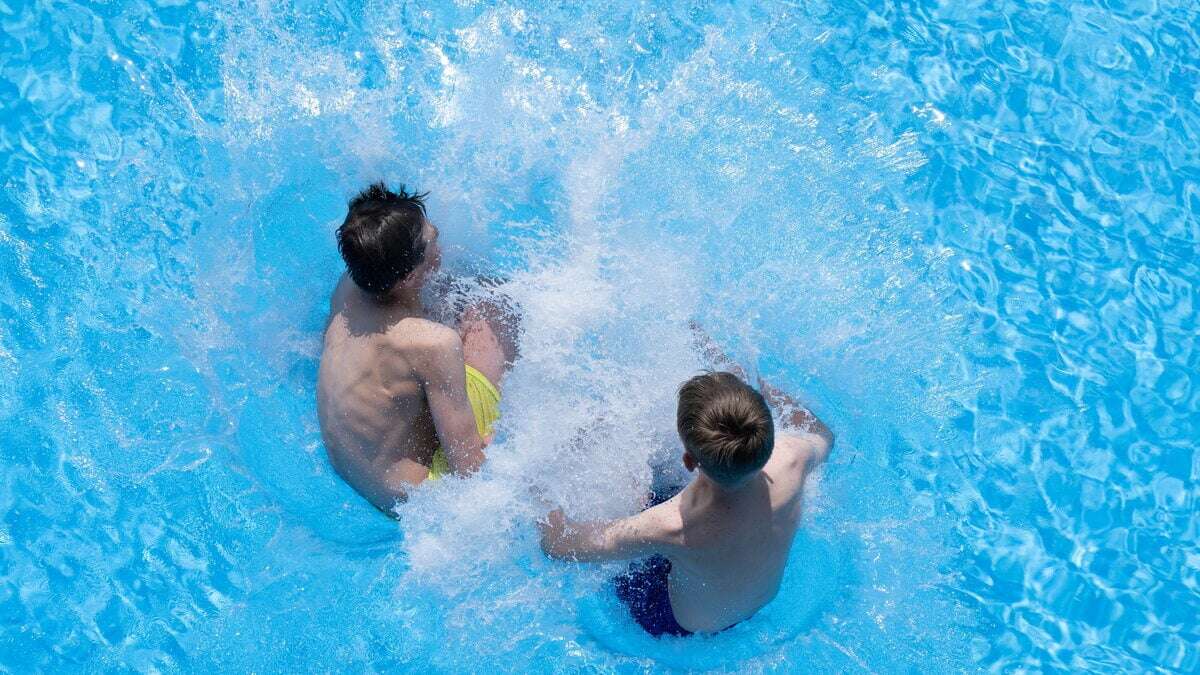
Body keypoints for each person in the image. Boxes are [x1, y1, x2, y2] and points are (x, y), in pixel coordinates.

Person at [538, 350, 834, 637]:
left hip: (675, 623)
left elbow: (560, 546)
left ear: (689, 461)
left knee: (642, 486)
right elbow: (822, 434)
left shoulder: (671, 525)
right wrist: (762, 387)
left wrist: (537, 489)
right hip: (758, 602)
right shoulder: (792, 460)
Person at [317, 182, 517, 515]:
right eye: (430, 241)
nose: (436, 231)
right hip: (421, 501)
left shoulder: (349, 288)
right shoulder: (432, 343)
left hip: (359, 471)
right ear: (409, 277)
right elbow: (468, 469)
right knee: (496, 308)